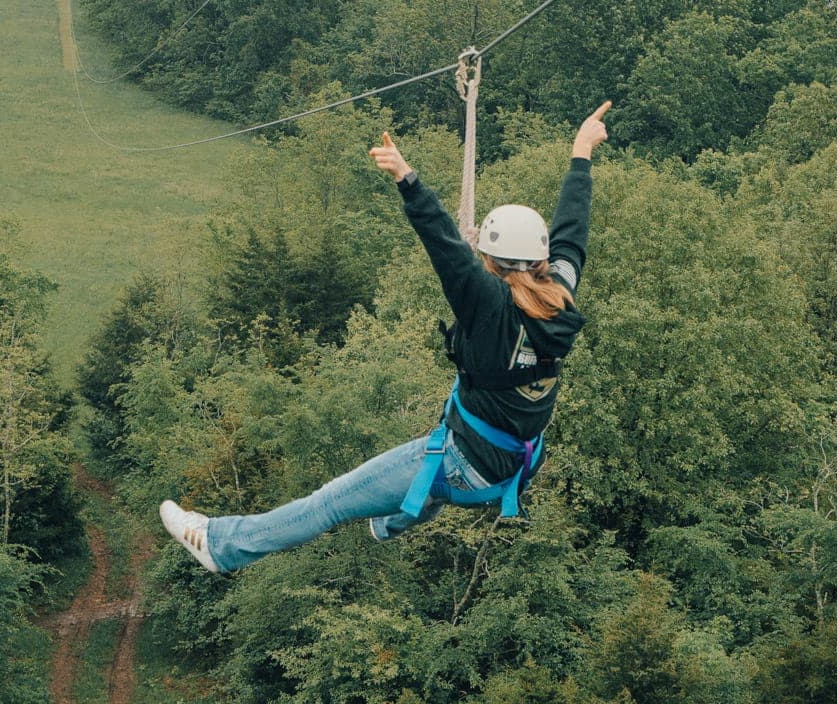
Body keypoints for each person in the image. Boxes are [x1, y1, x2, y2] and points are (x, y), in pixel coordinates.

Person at [160, 101, 611, 573]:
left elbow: (446, 245)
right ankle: (390, 523)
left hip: (467, 463)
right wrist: (581, 153)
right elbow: (572, 231)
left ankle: (221, 546)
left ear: (490, 262)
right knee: (440, 448)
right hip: (517, 463)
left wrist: (406, 178)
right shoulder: (559, 295)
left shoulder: (487, 304)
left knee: (331, 501)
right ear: (540, 260)